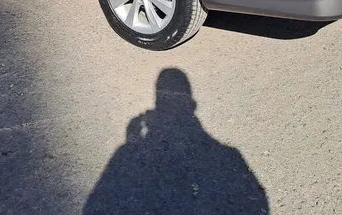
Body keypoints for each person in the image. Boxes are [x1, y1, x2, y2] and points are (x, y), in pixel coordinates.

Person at [84, 68, 269, 214]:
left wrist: (132, 141)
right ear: (192, 105)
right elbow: (257, 201)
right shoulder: (229, 156)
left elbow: (97, 204)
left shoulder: (127, 153)